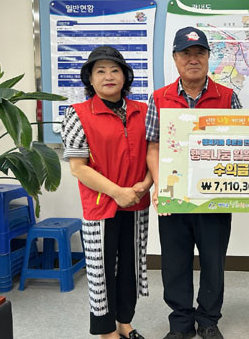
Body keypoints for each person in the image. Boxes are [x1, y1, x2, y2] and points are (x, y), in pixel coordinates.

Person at [145, 26, 242, 339]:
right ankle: (181, 323)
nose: (193, 59)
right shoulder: (159, 98)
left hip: (215, 197)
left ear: (208, 57)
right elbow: (153, 146)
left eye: (199, 52)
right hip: (174, 195)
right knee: (175, 262)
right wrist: (159, 185)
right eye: (186, 53)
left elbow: (242, 144)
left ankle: (209, 320)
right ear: (175, 58)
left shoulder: (227, 97)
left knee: (213, 261)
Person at [61, 46, 152, 339]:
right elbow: (78, 168)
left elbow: (155, 153)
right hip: (101, 205)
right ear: (90, 78)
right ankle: (106, 330)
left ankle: (124, 322)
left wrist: (146, 183)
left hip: (136, 202)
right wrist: (116, 192)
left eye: (115, 70)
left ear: (125, 77)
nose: (108, 76)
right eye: (100, 71)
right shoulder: (77, 114)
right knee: (101, 271)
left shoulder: (143, 111)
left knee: (130, 266)